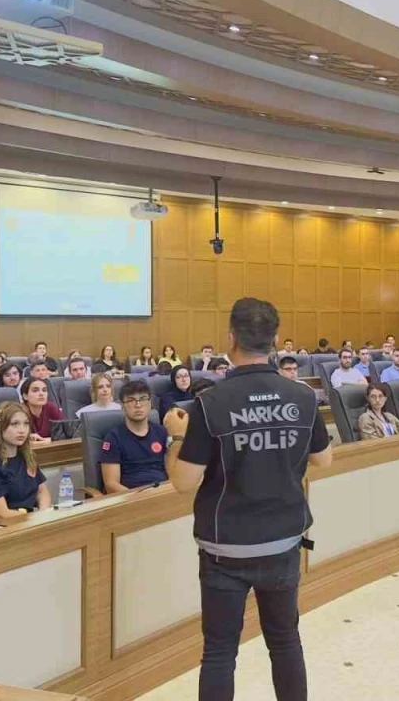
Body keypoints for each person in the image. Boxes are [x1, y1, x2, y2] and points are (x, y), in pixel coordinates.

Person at [160, 297, 331, 701]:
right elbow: (323, 459)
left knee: (220, 651)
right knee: (285, 641)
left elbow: (183, 482)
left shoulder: (210, 403)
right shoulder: (303, 396)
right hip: (282, 541)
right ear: (274, 340)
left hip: (226, 547)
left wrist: (177, 435)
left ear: (231, 338)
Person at [0, 402, 50, 520]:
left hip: (29, 521)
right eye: (14, 424)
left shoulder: (26, 457)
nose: (22, 430)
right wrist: (35, 519)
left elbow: (41, 491)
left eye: (26, 424)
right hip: (3, 527)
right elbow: (1, 514)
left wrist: (44, 513)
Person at [100, 380, 169, 494]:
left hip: (163, 493)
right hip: (131, 497)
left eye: (143, 399)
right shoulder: (113, 438)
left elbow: (173, 471)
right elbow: (111, 484)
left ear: (150, 404)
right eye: (131, 400)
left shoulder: (162, 433)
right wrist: (139, 497)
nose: (138, 405)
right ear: (122, 406)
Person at [19, 377, 62, 443]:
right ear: (25, 396)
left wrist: (43, 440)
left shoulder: (51, 408)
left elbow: (63, 434)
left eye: (44, 390)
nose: (41, 394)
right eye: (35, 390)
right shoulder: (19, 412)